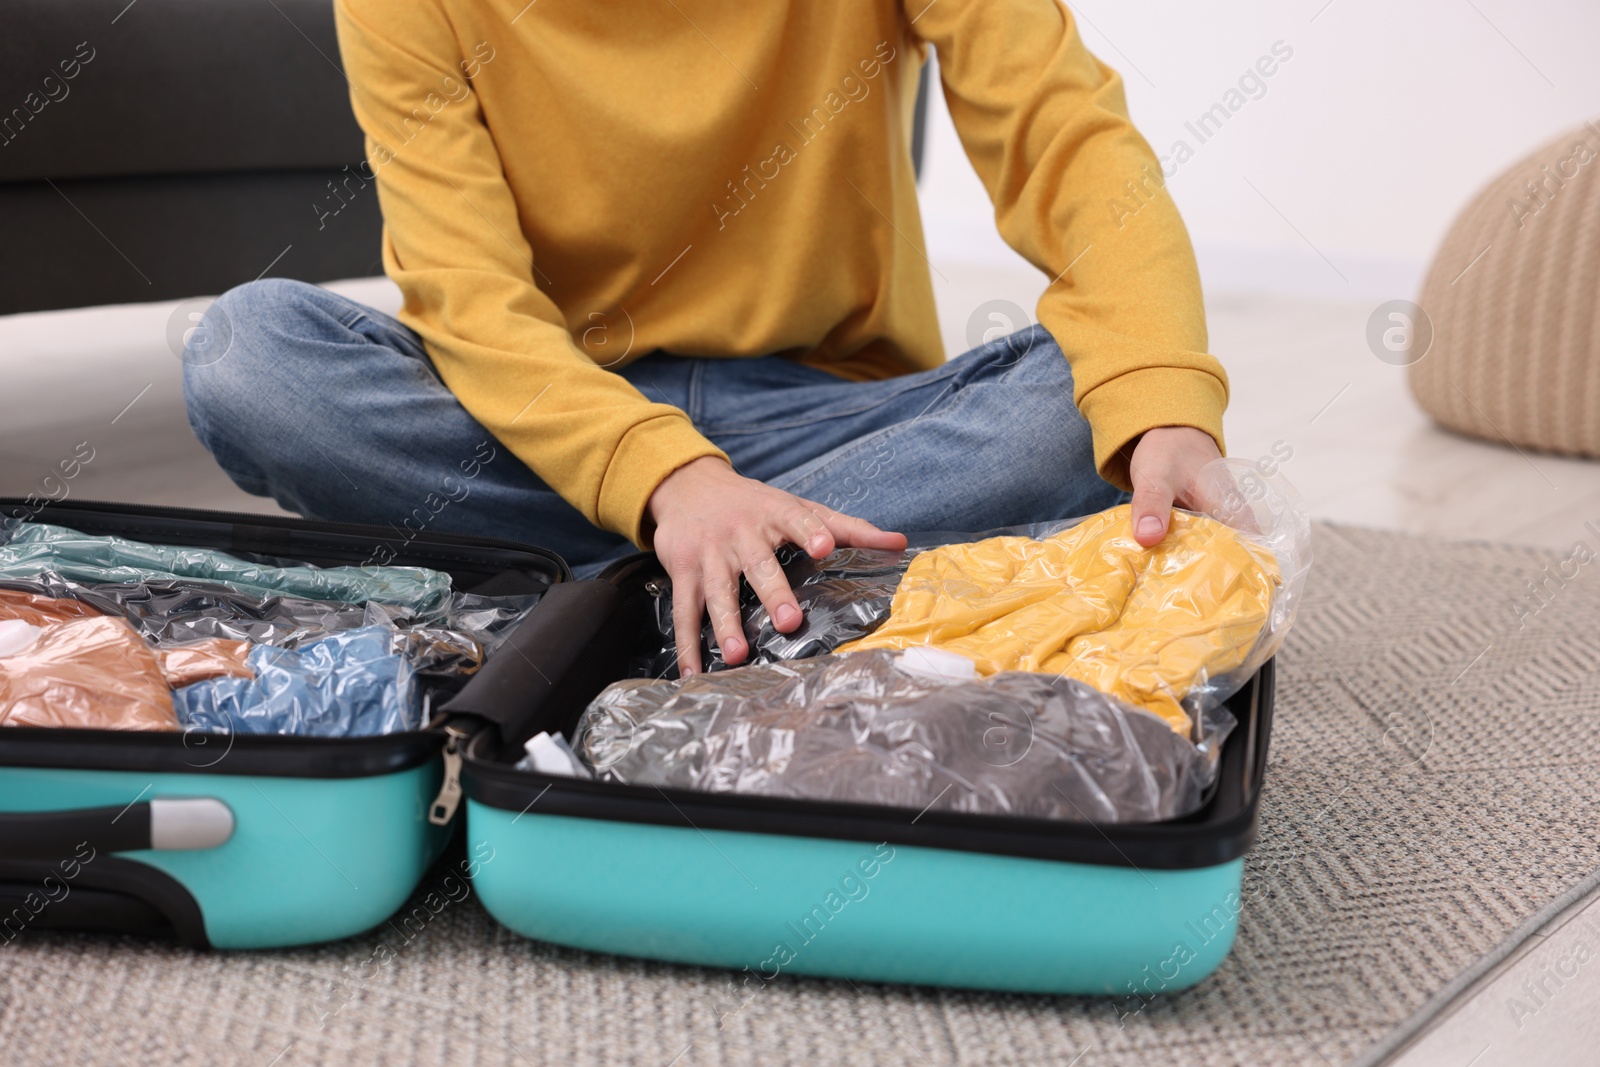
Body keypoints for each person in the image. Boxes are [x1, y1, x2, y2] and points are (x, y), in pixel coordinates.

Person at [182, 0, 1228, 676]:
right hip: (554, 417)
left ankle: (593, 602)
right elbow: (468, 297)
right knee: (251, 355)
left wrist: (1163, 402)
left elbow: (1069, 140)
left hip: (823, 414)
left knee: (1074, 404)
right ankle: (743, 584)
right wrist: (666, 479)